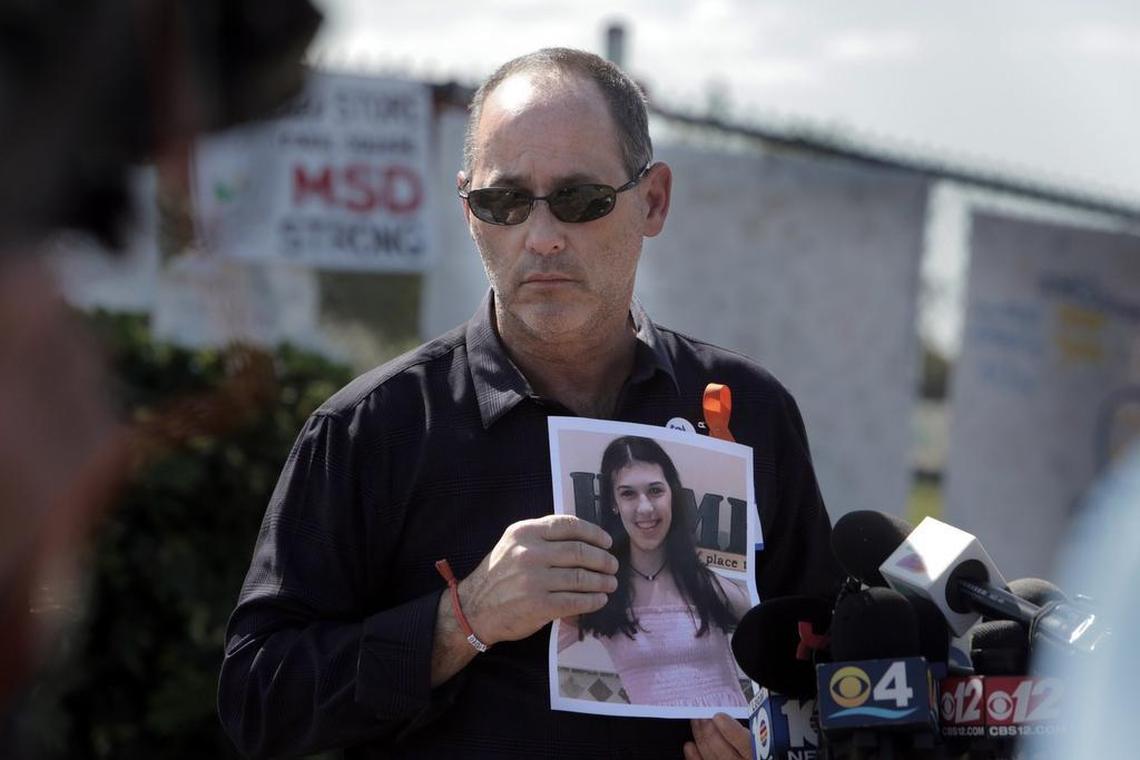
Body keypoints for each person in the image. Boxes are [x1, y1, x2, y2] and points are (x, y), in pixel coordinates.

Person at [218, 47, 842, 759]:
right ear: (468, 212)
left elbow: (823, 669)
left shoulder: (749, 412)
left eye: (580, 200)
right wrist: (465, 616)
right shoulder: (373, 430)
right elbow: (259, 699)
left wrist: (773, 744)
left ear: (654, 201)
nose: (541, 237)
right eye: (505, 201)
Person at [562, 436, 752, 708]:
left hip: (730, 740)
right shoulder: (600, 590)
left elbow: (770, 629)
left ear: (672, 494)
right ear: (613, 503)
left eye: (655, 491)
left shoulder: (704, 583)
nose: (645, 508)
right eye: (628, 493)